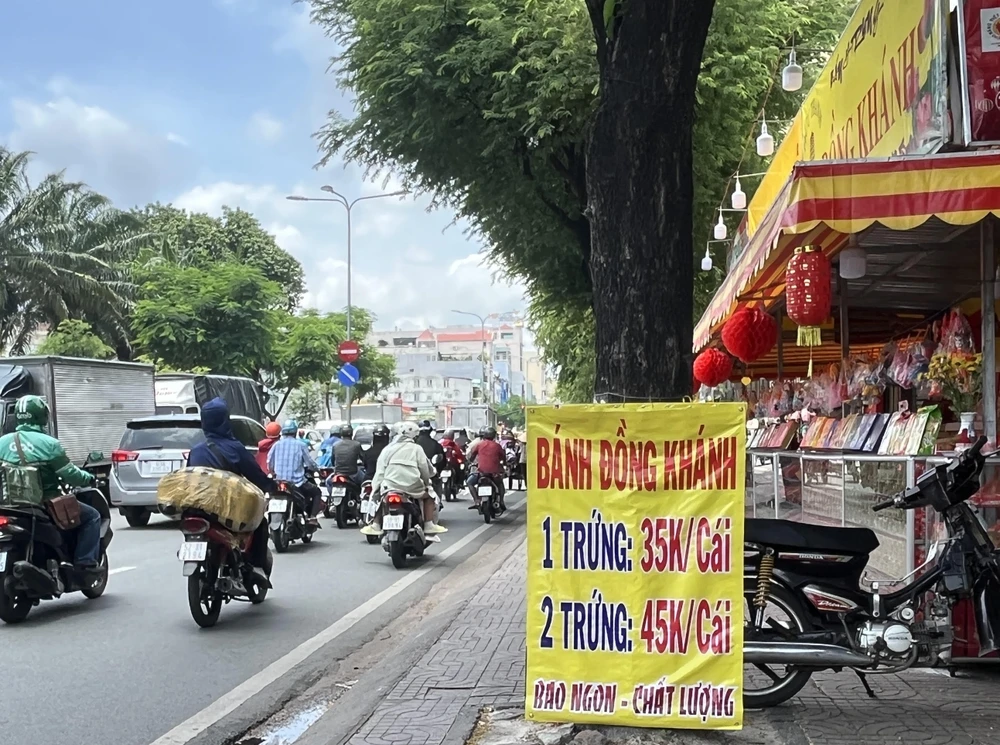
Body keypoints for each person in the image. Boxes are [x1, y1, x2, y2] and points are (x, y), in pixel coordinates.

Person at [0, 395, 101, 574]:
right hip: (45, 503)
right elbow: (71, 475)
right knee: (92, 516)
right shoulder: (50, 444)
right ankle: (85, 562)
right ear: (42, 416)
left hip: (9, 505)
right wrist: (88, 478)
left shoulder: (2, 442)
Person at [187, 397, 276, 585]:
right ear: (225, 421)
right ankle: (257, 566)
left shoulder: (196, 451)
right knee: (259, 523)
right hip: (226, 509)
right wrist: (270, 486)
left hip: (198, 509)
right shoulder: (234, 448)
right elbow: (255, 474)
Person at [361, 421, 446, 536]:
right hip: (413, 486)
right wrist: (427, 484)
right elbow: (425, 469)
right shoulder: (417, 449)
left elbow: (380, 471)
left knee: (379, 498)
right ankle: (428, 524)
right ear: (415, 436)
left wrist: (376, 488)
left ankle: (375, 525)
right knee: (429, 496)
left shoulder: (387, 449)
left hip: (389, 485)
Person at [268, 419, 323, 523]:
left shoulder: (276, 445)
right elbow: (310, 463)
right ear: (295, 432)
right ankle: (312, 517)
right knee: (317, 492)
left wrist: (273, 473)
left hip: (279, 482)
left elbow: (269, 463)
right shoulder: (301, 445)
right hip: (297, 482)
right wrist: (317, 470)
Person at [466, 426, 506, 511]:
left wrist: (471, 462)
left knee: (469, 483)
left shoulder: (479, 445)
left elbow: (472, 456)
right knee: (500, 485)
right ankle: (501, 501)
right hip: (494, 473)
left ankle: (476, 500)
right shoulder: (497, 446)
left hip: (481, 472)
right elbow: (503, 457)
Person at [416, 420, 446, 498]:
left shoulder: (412, 445)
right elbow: (443, 462)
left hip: (414, 475)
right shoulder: (436, 445)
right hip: (431, 474)